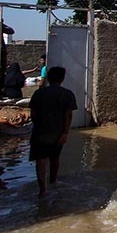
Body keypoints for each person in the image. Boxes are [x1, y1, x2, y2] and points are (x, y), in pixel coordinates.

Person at [28, 66, 77, 198]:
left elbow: (33, 114)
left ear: (48, 78)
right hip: (57, 132)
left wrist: (38, 126)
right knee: (55, 157)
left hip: (40, 132)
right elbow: (68, 115)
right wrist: (65, 133)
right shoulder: (67, 94)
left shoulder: (39, 93)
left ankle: (42, 190)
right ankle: (53, 182)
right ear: (62, 79)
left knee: (40, 159)